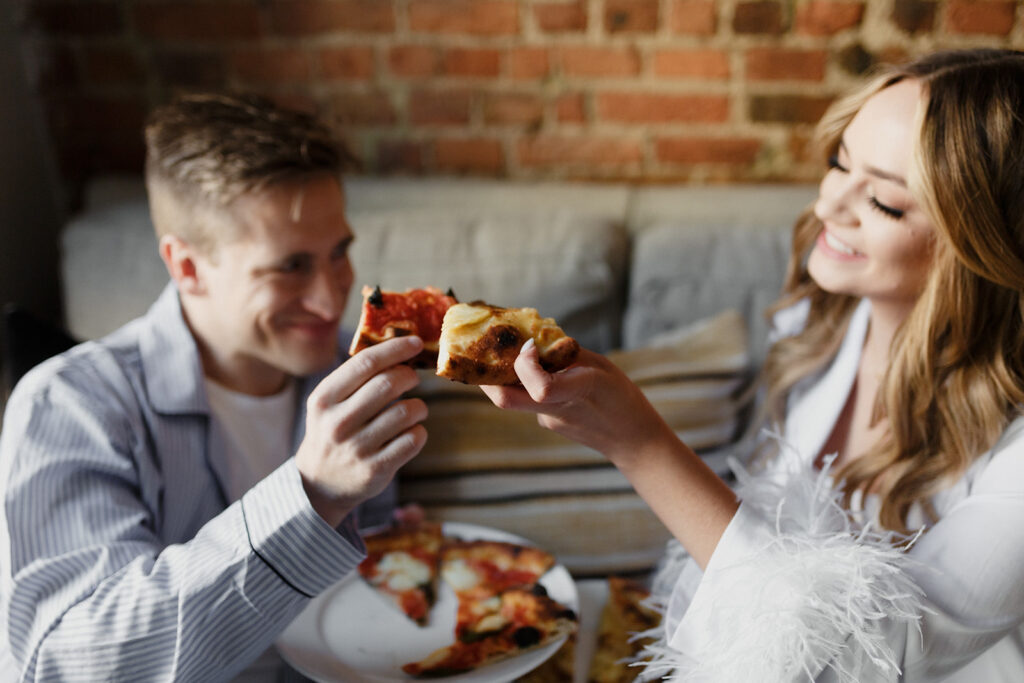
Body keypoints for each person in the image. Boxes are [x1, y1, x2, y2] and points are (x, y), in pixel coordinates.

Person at [482, 48, 1024, 681]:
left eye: (882, 201)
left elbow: (857, 655)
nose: (828, 206)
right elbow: (761, 524)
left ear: (980, 242)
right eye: (837, 164)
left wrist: (640, 444)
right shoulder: (815, 326)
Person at [0, 93, 429, 681]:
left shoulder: (345, 371)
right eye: (291, 266)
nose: (334, 300)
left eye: (340, 253)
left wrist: (393, 540)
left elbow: (365, 557)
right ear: (188, 268)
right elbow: (70, 664)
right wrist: (311, 494)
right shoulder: (71, 405)